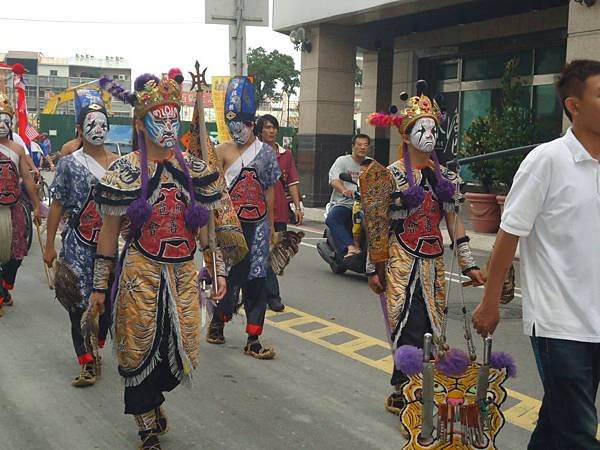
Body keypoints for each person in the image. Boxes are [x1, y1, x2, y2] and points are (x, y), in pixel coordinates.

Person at [92, 73, 229, 450]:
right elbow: (107, 234)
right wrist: (100, 287)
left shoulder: (197, 172)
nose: (169, 127)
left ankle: (154, 400)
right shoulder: (123, 172)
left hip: (184, 272)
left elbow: (207, 230)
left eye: (174, 119)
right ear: (140, 122)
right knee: (138, 348)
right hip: (141, 271)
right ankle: (145, 423)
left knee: (180, 347)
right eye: (160, 118)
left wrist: (216, 271)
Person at [472, 59, 600, 450]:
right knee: (578, 431)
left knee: (557, 425)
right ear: (574, 105)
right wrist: (490, 303)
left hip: (597, 321)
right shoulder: (547, 161)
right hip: (558, 324)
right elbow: (509, 234)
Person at [363, 82, 485, 415]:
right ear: (406, 135)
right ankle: (403, 386)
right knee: (407, 322)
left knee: (432, 327)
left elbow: (454, 221)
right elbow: (377, 222)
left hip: (433, 262)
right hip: (401, 258)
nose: (429, 134)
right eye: (421, 128)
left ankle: (420, 384)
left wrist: (469, 262)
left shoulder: (445, 176)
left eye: (432, 128)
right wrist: (373, 267)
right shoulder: (391, 176)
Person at [43, 90, 118, 387]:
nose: (97, 129)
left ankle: (97, 341)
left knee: (106, 306)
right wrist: (49, 245)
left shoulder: (119, 164)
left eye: (102, 123)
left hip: (109, 248)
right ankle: (86, 361)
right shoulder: (69, 163)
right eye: (91, 123)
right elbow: (58, 204)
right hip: (76, 243)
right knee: (77, 305)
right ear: (79, 127)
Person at [206, 76, 281, 359]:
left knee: (257, 279)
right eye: (233, 124)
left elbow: (270, 191)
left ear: (253, 124)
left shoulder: (265, 153)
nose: (240, 130)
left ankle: (253, 336)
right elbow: (212, 190)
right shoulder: (221, 151)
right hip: (228, 226)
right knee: (229, 278)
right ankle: (218, 322)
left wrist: (272, 226)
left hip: (258, 224)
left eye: (245, 124)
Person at [256, 113, 303, 312]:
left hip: (281, 210)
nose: (272, 130)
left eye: (274, 127)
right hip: (258, 210)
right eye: (267, 127)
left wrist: (298, 207)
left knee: (275, 253)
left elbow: (292, 181)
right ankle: (273, 296)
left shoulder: (286, 154)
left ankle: (265, 291)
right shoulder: (253, 153)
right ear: (259, 131)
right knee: (263, 252)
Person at [0, 93, 41, 316]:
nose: (2, 125)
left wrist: (36, 206)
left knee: (17, 254)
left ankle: (5, 287)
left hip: (14, 206)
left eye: (6, 120)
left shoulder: (17, 150)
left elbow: (26, 178)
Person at [326, 134, 370, 259]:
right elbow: (334, 180)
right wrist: (344, 190)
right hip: (345, 203)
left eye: (366, 145)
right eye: (359, 145)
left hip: (366, 205)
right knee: (332, 219)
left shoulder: (371, 163)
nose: (362, 148)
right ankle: (350, 246)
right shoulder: (342, 161)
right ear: (353, 146)